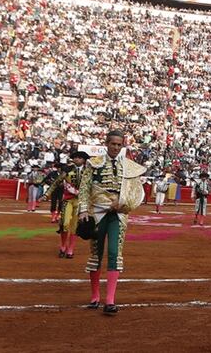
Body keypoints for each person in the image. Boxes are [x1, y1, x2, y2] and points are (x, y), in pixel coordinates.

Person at [78, 131, 147, 315]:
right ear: (106, 143)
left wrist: (122, 203)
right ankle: (95, 297)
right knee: (96, 253)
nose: (116, 147)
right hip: (97, 213)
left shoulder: (129, 167)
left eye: (119, 145)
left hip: (118, 214)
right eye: (113, 144)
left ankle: (110, 300)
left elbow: (135, 193)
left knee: (114, 253)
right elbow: (84, 188)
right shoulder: (94, 163)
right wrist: (83, 210)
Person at [40, 151, 89, 259]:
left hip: (81, 202)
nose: (76, 159)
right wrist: (46, 194)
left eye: (79, 158)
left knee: (75, 226)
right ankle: (63, 245)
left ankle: (70, 249)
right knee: (65, 224)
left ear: (84, 160)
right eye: (75, 157)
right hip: (68, 200)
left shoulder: (88, 171)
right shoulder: (67, 170)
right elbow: (56, 182)